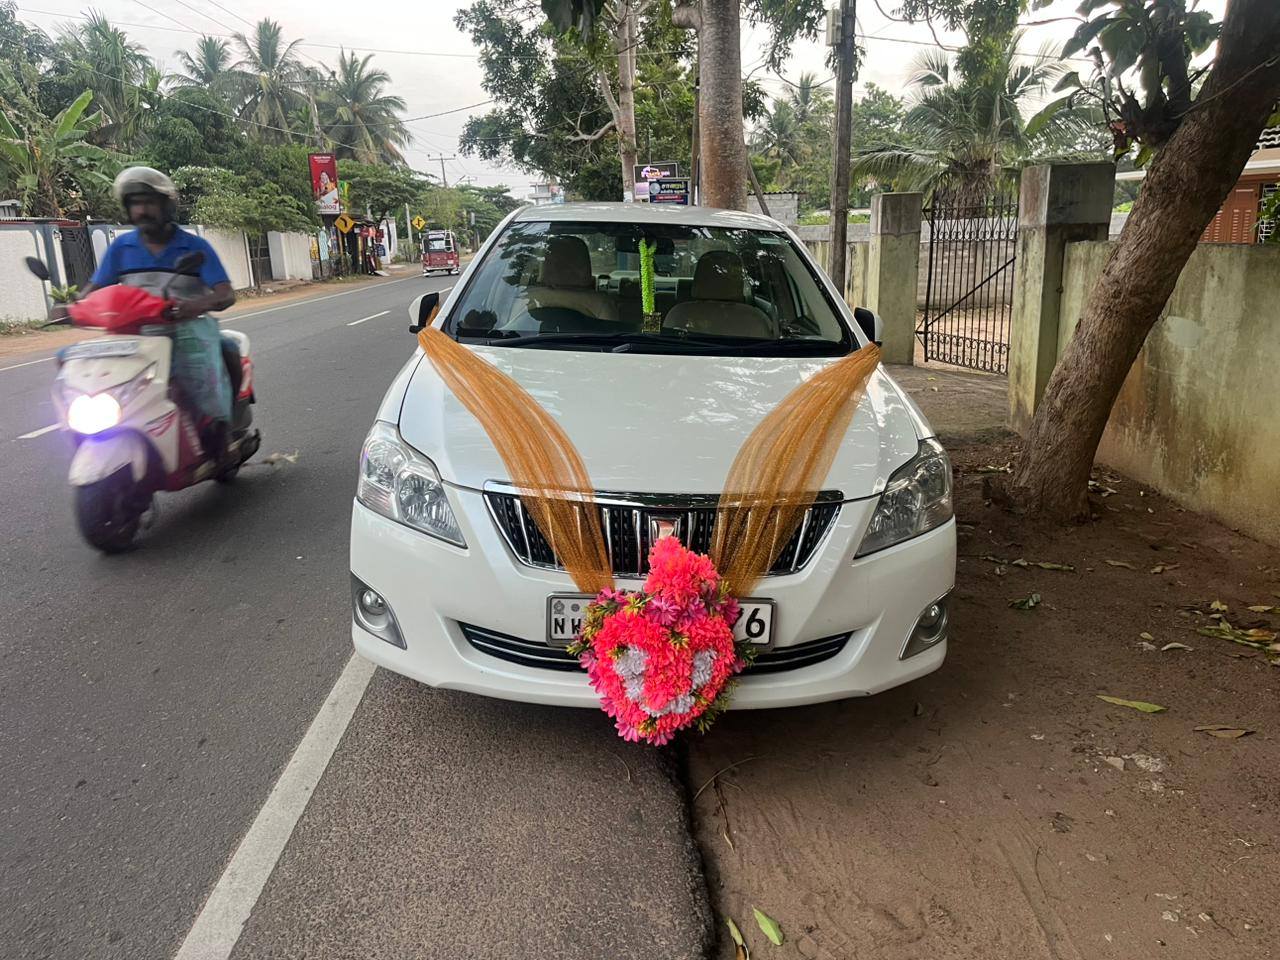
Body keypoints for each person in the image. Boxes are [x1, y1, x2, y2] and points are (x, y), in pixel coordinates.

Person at [78, 166, 238, 459]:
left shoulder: (194, 246)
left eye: (149, 202)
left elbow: (225, 293)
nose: (143, 210)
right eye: (136, 203)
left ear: (166, 206)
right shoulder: (121, 248)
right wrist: (73, 303)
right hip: (135, 337)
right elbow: (95, 287)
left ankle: (218, 431)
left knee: (205, 381)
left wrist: (196, 305)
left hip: (186, 330)